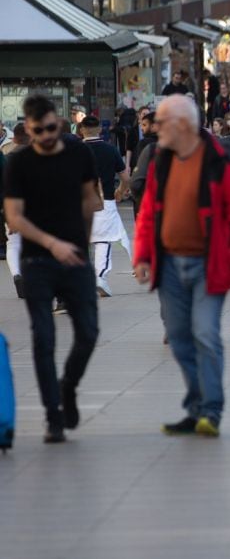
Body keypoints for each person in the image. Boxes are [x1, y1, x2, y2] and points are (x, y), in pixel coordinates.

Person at [133, 95, 230, 438]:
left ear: (183, 125)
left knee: (204, 333)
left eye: (162, 123)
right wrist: (142, 254)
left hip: (207, 263)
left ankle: (210, 411)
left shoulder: (220, 163)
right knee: (181, 338)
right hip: (169, 263)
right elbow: (149, 214)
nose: (156, 129)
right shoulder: (162, 161)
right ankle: (198, 405)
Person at [4, 95, 102, 443]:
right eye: (37, 131)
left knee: (89, 333)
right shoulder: (19, 164)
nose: (45, 135)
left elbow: (92, 200)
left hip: (75, 258)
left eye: (50, 127)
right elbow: (14, 218)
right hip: (38, 261)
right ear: (28, 130)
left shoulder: (79, 153)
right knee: (43, 338)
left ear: (58, 122)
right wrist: (52, 244)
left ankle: (68, 386)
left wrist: (82, 242)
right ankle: (52, 416)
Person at [78, 116, 132, 298]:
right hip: (104, 201)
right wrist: (120, 191)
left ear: (81, 130)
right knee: (103, 240)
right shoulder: (110, 149)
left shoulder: (75, 150)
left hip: (78, 202)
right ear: (100, 129)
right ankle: (100, 278)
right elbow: (125, 177)